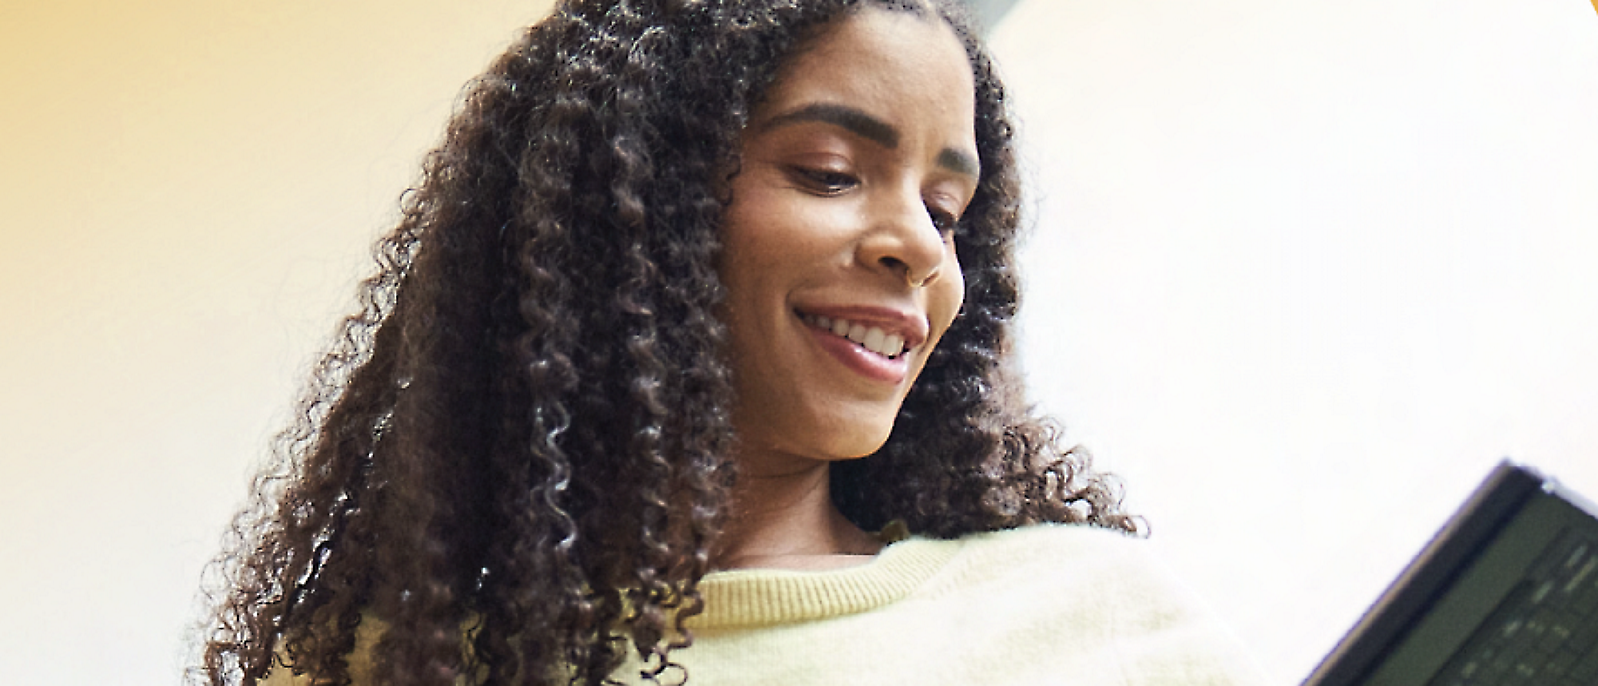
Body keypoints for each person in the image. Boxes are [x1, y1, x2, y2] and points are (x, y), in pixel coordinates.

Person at [197, 1, 1265, 684]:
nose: (917, 248)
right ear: (629, 210)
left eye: (945, 209)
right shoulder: (375, 671)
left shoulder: (1093, 622)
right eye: (830, 172)